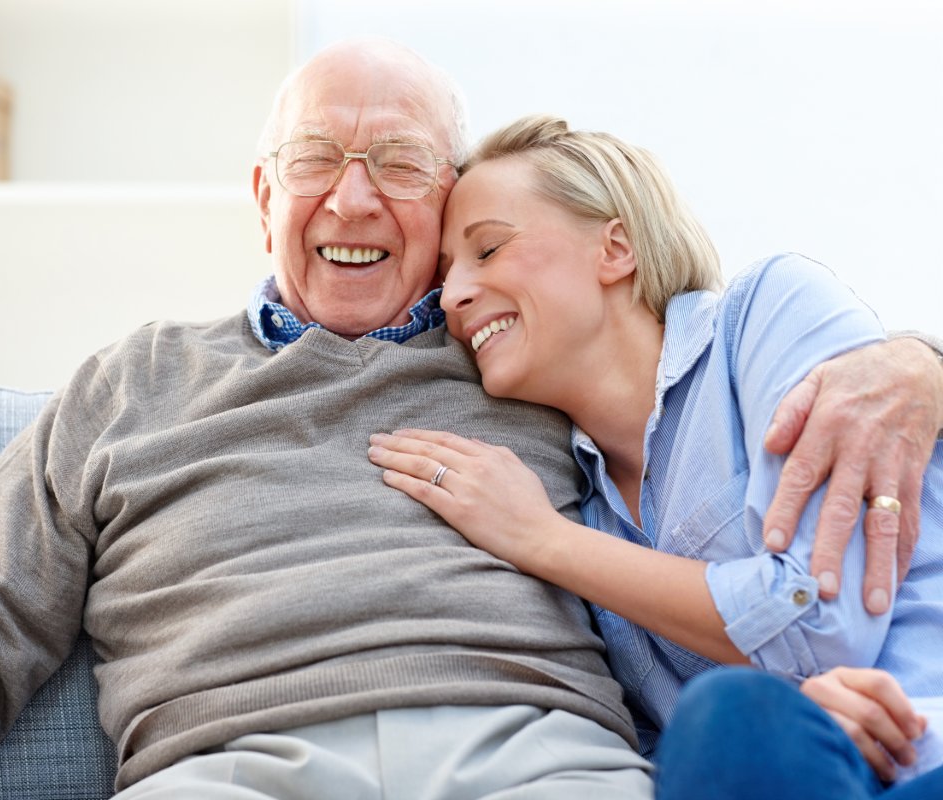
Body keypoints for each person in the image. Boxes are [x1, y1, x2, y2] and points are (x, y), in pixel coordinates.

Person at [0, 41, 943, 799]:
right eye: (317, 158)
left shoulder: (524, 371)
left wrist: (917, 358)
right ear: (264, 198)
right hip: (228, 762)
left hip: (537, 758)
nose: (355, 193)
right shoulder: (128, 386)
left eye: (402, 164)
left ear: (448, 206)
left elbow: (720, 569)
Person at [366, 113, 943, 797]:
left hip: (923, 755)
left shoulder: (763, 317)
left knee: (729, 713)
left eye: (487, 250)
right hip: (785, 775)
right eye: (445, 278)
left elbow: (819, 622)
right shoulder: (577, 499)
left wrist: (539, 539)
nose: (456, 297)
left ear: (616, 248)